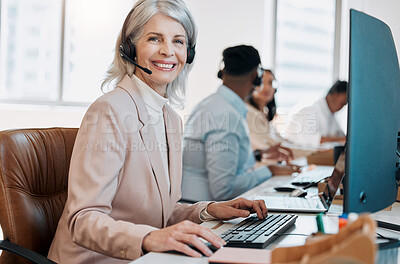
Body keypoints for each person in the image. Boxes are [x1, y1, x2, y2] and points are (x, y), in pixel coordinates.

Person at [48, 1, 268, 263]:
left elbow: (161, 213)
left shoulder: (170, 119)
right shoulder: (108, 111)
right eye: (155, 38)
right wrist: (148, 238)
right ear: (130, 48)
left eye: (178, 41)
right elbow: (83, 220)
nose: (168, 51)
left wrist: (209, 210)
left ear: (189, 52)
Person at [181, 45, 300, 203]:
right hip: (204, 213)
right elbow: (224, 189)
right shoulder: (226, 116)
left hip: (194, 205)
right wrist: (269, 170)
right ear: (255, 77)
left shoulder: (211, 104)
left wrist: (259, 155)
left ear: (223, 73)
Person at [246, 70, 312, 158]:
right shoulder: (249, 113)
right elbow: (273, 147)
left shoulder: (264, 114)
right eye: (261, 82)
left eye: (270, 83)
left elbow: (282, 141)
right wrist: (313, 151)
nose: (266, 87)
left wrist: (313, 149)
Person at [285, 80, 348, 147]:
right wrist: (340, 140)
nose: (344, 105)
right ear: (335, 94)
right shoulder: (311, 111)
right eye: (343, 103)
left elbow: (342, 136)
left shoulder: (331, 116)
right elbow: (313, 141)